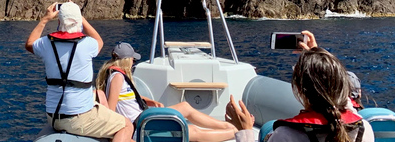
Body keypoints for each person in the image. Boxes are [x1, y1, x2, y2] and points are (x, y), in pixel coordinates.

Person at [25, 2, 134, 142]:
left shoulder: (46, 43)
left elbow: (29, 44)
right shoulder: (88, 44)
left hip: (53, 116)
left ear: (59, 21)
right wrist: (82, 18)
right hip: (78, 118)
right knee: (126, 126)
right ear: (78, 21)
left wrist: (45, 19)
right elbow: (99, 41)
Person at [96, 42, 238, 142]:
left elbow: (128, 98)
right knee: (192, 131)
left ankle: (228, 126)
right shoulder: (118, 77)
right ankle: (234, 132)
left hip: (142, 118)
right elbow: (112, 109)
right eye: (132, 59)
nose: (133, 62)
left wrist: (150, 101)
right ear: (127, 60)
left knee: (185, 107)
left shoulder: (116, 75)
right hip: (139, 124)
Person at [225, 47, 374, 142]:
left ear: (299, 90)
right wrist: (320, 61)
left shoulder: (286, 135)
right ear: (342, 85)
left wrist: (245, 132)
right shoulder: (364, 128)